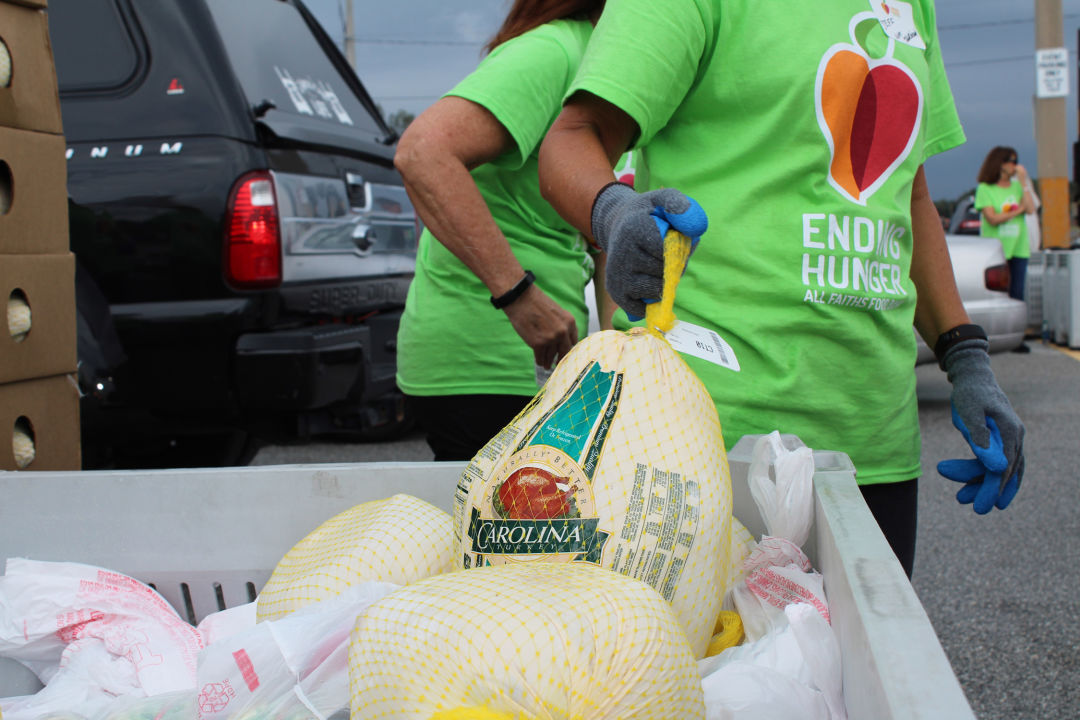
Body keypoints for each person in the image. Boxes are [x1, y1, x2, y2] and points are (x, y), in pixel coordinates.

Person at [537, 0, 1025, 577]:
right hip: (705, 445)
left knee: (864, 666)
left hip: (873, 445)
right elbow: (571, 137)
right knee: (683, 664)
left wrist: (966, 358)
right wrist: (614, 213)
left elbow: (909, 194)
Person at [393, 0, 611, 461]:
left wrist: (618, 354)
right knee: (504, 529)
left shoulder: (612, 69)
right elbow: (422, 154)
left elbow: (603, 238)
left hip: (553, 370)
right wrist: (516, 294)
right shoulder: (555, 52)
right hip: (487, 364)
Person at [974, 146, 1038, 352]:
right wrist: (1017, 211)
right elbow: (992, 218)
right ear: (1000, 163)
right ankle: (990, 335)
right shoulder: (985, 188)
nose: (1014, 164)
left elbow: (1031, 208)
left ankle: (1016, 338)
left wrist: (1024, 183)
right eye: (1011, 160)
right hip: (996, 249)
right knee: (995, 295)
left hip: (1018, 247)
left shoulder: (1017, 187)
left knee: (1017, 293)